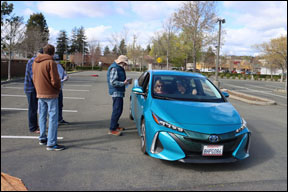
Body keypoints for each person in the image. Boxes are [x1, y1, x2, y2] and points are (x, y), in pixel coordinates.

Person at [32, 44, 65, 151]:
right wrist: (58, 87)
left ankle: (42, 138)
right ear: (53, 52)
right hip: (51, 93)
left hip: (40, 92)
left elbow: (33, 77)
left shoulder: (35, 62)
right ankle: (51, 143)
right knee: (53, 119)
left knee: (42, 116)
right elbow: (55, 80)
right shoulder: (51, 62)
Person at [107, 55, 131, 136]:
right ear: (121, 62)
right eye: (124, 63)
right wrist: (123, 83)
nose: (125, 65)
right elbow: (113, 82)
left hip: (119, 92)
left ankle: (115, 126)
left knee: (119, 110)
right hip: (116, 92)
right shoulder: (115, 68)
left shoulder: (118, 68)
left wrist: (126, 81)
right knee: (116, 111)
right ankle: (112, 129)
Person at [24, 48, 43, 134]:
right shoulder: (33, 61)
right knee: (33, 108)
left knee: (36, 107)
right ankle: (33, 127)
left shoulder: (35, 61)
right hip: (31, 88)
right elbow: (34, 77)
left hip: (33, 88)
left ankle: (36, 125)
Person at [54, 54, 69, 125]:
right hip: (54, 89)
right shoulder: (52, 66)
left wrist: (65, 77)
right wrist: (62, 80)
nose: (57, 61)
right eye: (56, 60)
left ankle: (60, 119)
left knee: (60, 104)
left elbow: (64, 73)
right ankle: (54, 121)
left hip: (60, 88)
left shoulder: (60, 66)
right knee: (54, 106)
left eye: (58, 60)